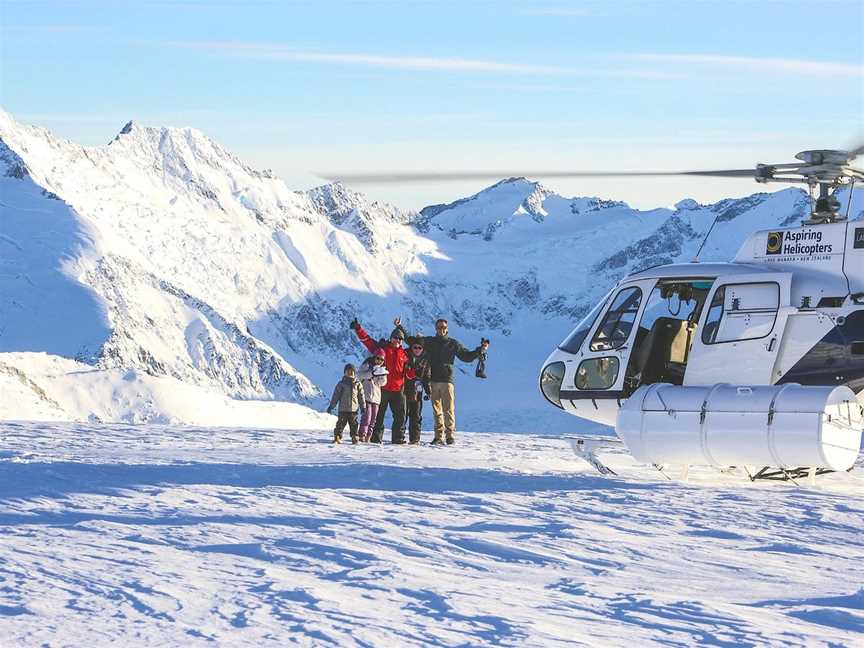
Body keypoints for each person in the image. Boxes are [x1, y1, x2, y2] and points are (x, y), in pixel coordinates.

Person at [406, 317, 490, 445]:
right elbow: (412, 341)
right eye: (439, 327)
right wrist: (399, 328)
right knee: (437, 410)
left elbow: (466, 356)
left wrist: (479, 350)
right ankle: (438, 436)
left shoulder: (453, 343)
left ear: (447, 328)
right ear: (436, 328)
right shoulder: (429, 341)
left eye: (444, 327)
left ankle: (450, 435)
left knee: (449, 409)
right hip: (433, 380)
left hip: (447, 380)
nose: (441, 329)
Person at [350, 318, 414, 444]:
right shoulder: (382, 349)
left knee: (401, 416)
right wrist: (358, 329)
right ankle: (375, 438)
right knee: (378, 415)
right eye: (395, 337)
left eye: (400, 339)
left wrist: (400, 327)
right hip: (382, 388)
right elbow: (367, 341)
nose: (398, 340)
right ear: (391, 338)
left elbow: (415, 343)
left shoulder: (405, 353)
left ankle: (398, 438)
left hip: (398, 389)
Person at [402, 332, 431, 444]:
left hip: (417, 391)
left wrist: (428, 391)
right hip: (405, 389)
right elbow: (403, 372)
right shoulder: (405, 356)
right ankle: (399, 437)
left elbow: (427, 377)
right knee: (403, 414)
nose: (417, 349)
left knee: (416, 415)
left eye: (420, 347)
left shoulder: (425, 360)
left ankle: (415, 439)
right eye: (415, 347)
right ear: (411, 347)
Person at [326, 363, 366, 444]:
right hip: (343, 409)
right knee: (340, 424)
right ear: (344, 373)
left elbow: (361, 397)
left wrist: (363, 407)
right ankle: (337, 436)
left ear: (355, 373)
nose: (350, 373)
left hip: (353, 409)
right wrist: (332, 406)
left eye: (352, 371)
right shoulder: (341, 384)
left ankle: (354, 436)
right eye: (348, 371)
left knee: (354, 424)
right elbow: (336, 396)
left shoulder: (358, 384)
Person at [357, 349, 388, 442]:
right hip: (366, 395)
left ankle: (368, 436)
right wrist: (371, 373)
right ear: (374, 357)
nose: (379, 361)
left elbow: (383, 383)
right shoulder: (366, 365)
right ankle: (362, 434)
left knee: (373, 419)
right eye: (378, 358)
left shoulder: (382, 369)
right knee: (367, 417)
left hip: (376, 398)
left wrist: (380, 375)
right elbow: (359, 375)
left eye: (382, 360)